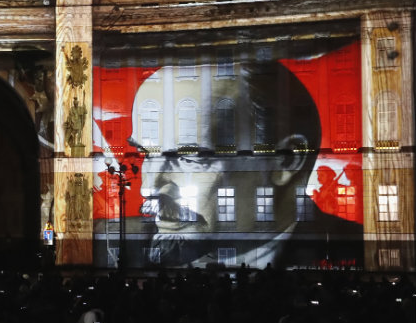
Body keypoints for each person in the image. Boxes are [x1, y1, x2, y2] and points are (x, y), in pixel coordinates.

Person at [124, 59, 362, 268]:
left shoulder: (355, 250)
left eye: (188, 158)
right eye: (145, 154)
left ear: (285, 160)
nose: (148, 188)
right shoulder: (127, 248)